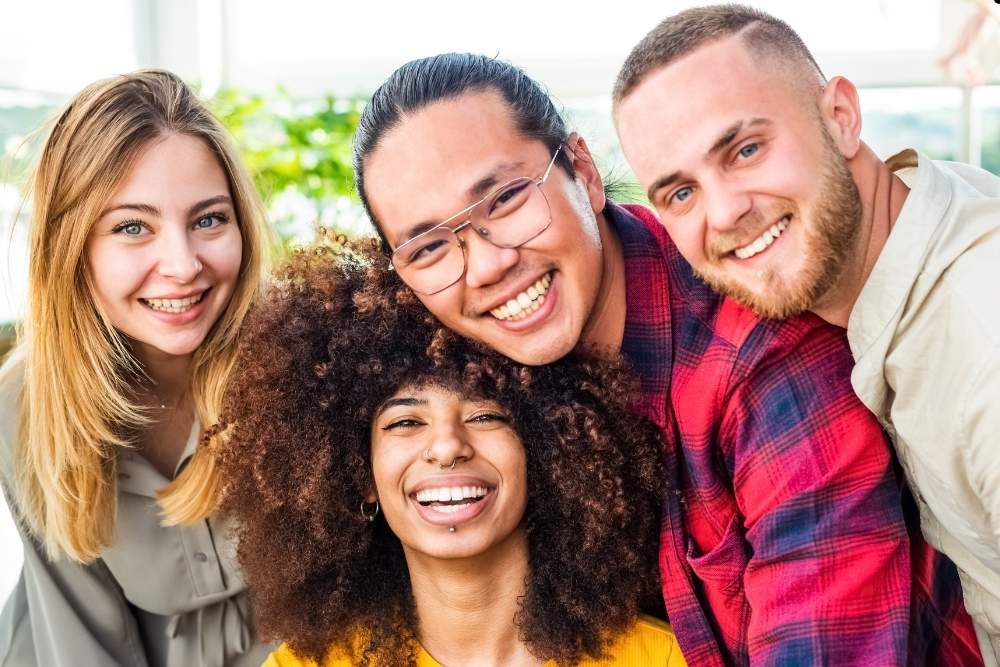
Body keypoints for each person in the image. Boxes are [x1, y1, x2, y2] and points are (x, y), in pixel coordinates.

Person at [350, 52, 981, 665]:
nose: (487, 265)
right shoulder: (471, 374)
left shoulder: (763, 358)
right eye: (429, 247)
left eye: (507, 200)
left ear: (583, 171)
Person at [612, 4, 999, 664]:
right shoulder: (913, 244)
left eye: (746, 150)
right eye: (680, 193)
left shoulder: (980, 339)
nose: (726, 211)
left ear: (841, 116)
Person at [213, 241, 683, 667]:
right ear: (360, 475)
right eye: (405, 423)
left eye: (485, 416)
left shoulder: (657, 657)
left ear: (548, 453)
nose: (447, 448)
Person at [0, 70, 273, 667]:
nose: (181, 265)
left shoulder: (305, 369)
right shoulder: (24, 406)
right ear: (73, 249)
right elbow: (79, 645)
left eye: (208, 220)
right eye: (132, 227)